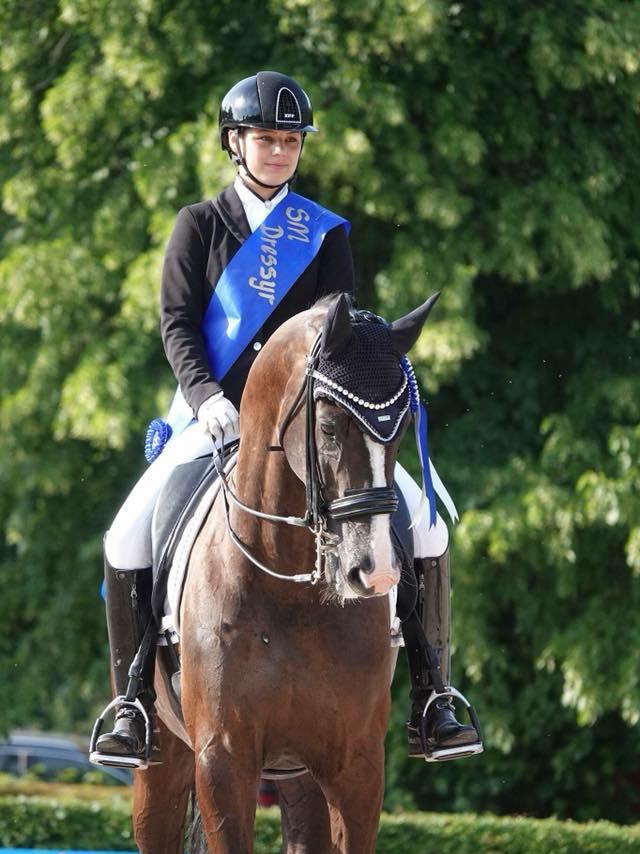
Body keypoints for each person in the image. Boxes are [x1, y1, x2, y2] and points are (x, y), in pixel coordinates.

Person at [91, 71, 480, 769]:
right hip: (208, 417)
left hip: (309, 427)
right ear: (235, 144)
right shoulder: (199, 225)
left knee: (424, 522)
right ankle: (134, 703)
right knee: (124, 536)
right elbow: (177, 324)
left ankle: (432, 693)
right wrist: (208, 397)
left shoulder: (321, 233)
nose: (279, 152)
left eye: (290, 141)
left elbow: (337, 337)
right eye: (267, 139)